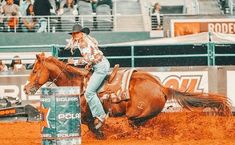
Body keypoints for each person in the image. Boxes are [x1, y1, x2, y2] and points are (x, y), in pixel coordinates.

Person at [65, 23, 110, 129]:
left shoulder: (83, 43)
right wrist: (89, 64)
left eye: (77, 33)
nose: (75, 35)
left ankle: (101, 116)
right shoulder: (86, 41)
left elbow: (87, 58)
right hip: (100, 65)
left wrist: (73, 62)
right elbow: (93, 56)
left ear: (81, 33)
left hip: (100, 67)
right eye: (74, 33)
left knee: (89, 92)